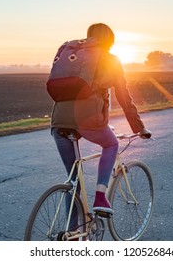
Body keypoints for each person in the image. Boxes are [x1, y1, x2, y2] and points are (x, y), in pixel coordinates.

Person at [50, 23, 151, 219]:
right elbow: (124, 96)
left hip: (59, 121)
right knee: (111, 143)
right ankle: (100, 197)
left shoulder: (73, 56)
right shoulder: (110, 59)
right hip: (89, 119)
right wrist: (139, 127)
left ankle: (72, 235)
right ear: (110, 41)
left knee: (73, 182)